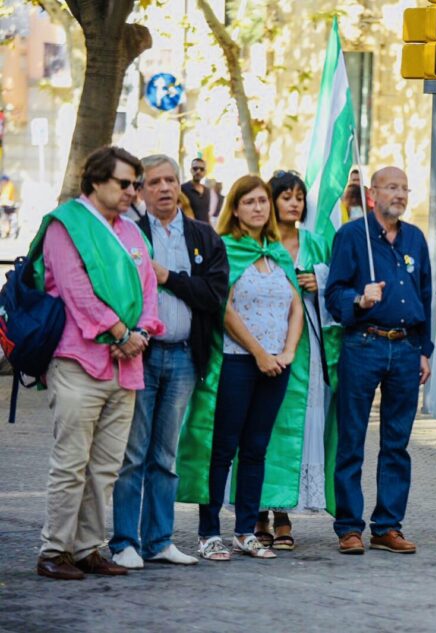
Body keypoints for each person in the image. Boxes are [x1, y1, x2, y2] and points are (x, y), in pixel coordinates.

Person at [32, 146, 164, 580]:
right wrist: (121, 334)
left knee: (105, 466)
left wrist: (142, 332)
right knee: (71, 463)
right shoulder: (66, 225)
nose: (133, 192)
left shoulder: (131, 231)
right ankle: (54, 550)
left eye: (135, 184)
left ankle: (89, 547)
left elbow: (148, 290)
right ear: (95, 181)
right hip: (78, 360)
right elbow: (76, 290)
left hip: (125, 366)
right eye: (124, 183)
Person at [108, 155, 229, 569]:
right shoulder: (128, 233)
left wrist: (170, 278)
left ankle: (159, 540)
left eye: (170, 180)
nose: (164, 188)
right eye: (154, 181)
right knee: (133, 454)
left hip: (182, 358)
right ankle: (125, 541)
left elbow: (214, 297)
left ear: (180, 185)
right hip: (138, 357)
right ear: (140, 190)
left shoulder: (203, 236)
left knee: (166, 456)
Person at [176, 175, 306, 561]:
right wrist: (259, 353)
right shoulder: (225, 249)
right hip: (236, 362)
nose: (258, 208)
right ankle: (209, 532)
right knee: (222, 449)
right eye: (249, 202)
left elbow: (295, 304)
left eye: (263, 201)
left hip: (277, 366)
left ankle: (246, 530)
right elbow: (223, 307)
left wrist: (287, 352)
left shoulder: (277, 252)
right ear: (235, 207)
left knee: (256, 449)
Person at [326, 166, 432, 555]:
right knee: (352, 438)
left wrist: (424, 350)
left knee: (397, 443)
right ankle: (349, 527)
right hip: (363, 344)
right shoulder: (352, 236)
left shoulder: (415, 239)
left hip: (405, 348)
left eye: (405, 187)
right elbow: (333, 295)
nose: (400, 194)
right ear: (372, 195)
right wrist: (359, 299)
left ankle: (387, 525)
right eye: (392, 187)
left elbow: (425, 294)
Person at [254, 170, 334, 550]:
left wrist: (321, 280)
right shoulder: (257, 241)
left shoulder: (315, 243)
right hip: (263, 345)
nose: (294, 202)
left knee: (294, 429)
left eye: (299, 196)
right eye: (285, 196)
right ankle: (257, 512)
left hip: (305, 350)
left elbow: (339, 286)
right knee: (261, 427)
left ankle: (284, 513)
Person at [181, 157, 212, 223]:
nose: (198, 171)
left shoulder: (207, 190)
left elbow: (207, 213)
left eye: (201, 169)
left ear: (205, 172)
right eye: (195, 168)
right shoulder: (183, 188)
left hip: (204, 230)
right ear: (191, 170)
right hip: (190, 229)